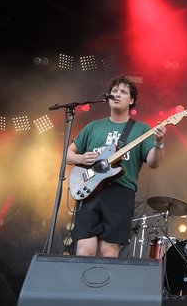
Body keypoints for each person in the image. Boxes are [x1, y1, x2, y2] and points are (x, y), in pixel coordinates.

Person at [66, 75, 166, 257]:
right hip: (89, 191)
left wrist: (159, 142)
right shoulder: (93, 127)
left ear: (132, 100)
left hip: (120, 192)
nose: (117, 94)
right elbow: (67, 154)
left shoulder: (141, 129)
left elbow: (154, 163)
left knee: (109, 249)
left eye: (123, 92)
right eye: (114, 91)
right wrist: (80, 159)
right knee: (83, 249)